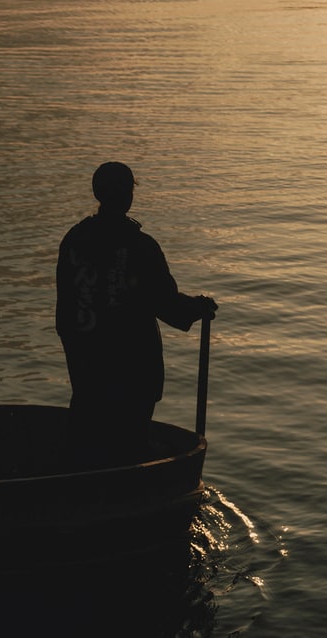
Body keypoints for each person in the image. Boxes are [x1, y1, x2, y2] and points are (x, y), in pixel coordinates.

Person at [56, 161, 217, 463]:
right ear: (129, 195)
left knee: (86, 432)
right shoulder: (140, 246)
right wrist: (198, 307)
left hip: (86, 361)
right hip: (132, 366)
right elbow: (167, 305)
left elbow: (64, 309)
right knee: (130, 441)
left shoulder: (75, 240)